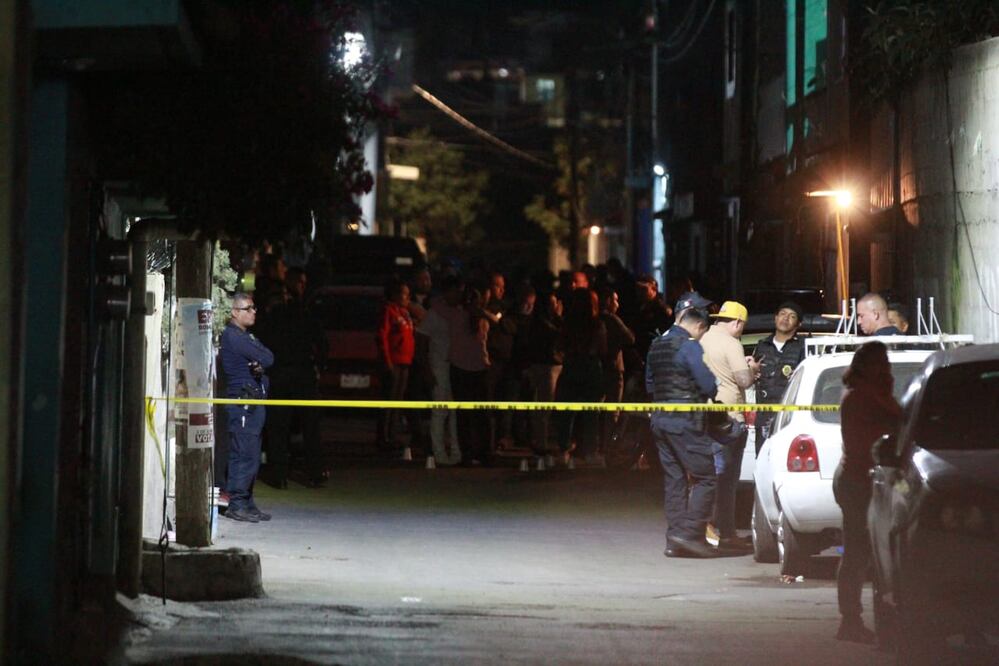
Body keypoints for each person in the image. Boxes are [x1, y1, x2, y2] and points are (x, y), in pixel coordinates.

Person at [834, 341, 900, 644]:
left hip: (867, 478)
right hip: (860, 480)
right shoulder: (863, 397)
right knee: (859, 552)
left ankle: (862, 620)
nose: (886, 367)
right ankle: (851, 620)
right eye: (882, 362)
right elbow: (870, 441)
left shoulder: (867, 394)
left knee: (866, 553)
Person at [646, 307, 718, 558]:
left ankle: (675, 539)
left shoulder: (657, 344)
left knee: (674, 480)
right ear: (699, 326)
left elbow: (649, 383)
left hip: (660, 420)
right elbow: (707, 384)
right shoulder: (689, 346)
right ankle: (689, 533)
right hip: (685, 422)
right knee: (706, 478)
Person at [256, 267, 326, 488]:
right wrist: (319, 366)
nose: (302, 287)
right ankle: (313, 472)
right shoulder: (305, 312)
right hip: (297, 373)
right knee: (307, 425)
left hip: (284, 373)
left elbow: (262, 339)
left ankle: (281, 474)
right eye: (300, 283)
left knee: (282, 427)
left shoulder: (279, 313)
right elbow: (322, 343)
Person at [700, 300, 760, 549]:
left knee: (707, 477)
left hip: (705, 417)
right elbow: (744, 381)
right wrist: (753, 369)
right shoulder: (732, 343)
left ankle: (706, 529)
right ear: (737, 323)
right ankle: (725, 532)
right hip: (729, 420)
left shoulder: (702, 339)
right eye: (742, 327)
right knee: (726, 481)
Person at [220, 293, 275, 523]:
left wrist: (261, 363)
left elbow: (268, 356)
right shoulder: (234, 337)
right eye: (249, 308)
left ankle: (247, 501)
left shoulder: (247, 336)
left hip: (252, 404)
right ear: (235, 312)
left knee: (252, 455)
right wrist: (261, 362)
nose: (254, 312)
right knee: (243, 454)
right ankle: (237, 503)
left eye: (254, 307)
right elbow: (267, 358)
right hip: (243, 404)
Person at [555, 288, 608, 467]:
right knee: (591, 414)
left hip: (571, 367)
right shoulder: (597, 324)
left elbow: (560, 346)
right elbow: (601, 348)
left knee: (566, 413)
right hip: (591, 368)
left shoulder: (568, 323)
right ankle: (590, 451)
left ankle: (564, 450)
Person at [417, 275, 462, 465]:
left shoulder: (459, 312)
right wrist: (427, 369)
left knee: (455, 411)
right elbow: (422, 342)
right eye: (456, 291)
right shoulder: (434, 314)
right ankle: (439, 453)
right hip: (439, 366)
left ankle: (456, 452)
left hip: (457, 366)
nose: (459, 294)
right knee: (440, 410)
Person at [752, 301, 806, 454]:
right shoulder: (762, 346)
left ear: (799, 323)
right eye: (782, 314)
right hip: (764, 415)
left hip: (791, 417)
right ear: (775, 318)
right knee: (762, 459)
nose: (785, 318)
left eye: (792, 316)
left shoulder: (803, 347)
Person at [449, 285, 491, 465]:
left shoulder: (457, 318)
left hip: (461, 368)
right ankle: (482, 452)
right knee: (481, 414)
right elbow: (483, 347)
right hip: (476, 369)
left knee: (465, 415)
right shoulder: (480, 320)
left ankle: (468, 453)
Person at [377, 278, 415, 450]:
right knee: (389, 400)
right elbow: (382, 336)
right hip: (393, 362)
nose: (407, 297)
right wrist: (387, 360)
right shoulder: (389, 311)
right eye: (404, 294)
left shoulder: (405, 313)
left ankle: (392, 435)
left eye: (408, 294)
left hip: (405, 362)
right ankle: (383, 437)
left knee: (398, 401)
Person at [523, 291, 563, 455]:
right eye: (552, 303)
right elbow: (558, 335)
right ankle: (541, 442)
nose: (555, 306)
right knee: (544, 405)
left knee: (543, 405)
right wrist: (560, 317)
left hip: (546, 365)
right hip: (546, 366)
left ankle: (540, 440)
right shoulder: (542, 323)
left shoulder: (541, 321)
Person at [598, 287, 635, 451]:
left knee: (596, 407)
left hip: (599, 367)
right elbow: (630, 338)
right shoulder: (612, 319)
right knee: (613, 408)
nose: (617, 304)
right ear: (607, 301)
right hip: (613, 367)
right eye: (615, 300)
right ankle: (609, 445)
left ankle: (594, 444)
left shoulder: (595, 318)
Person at [628, 273, 673, 367]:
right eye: (638, 289)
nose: (640, 293)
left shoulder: (661, 309)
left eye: (644, 289)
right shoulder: (638, 307)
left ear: (654, 289)